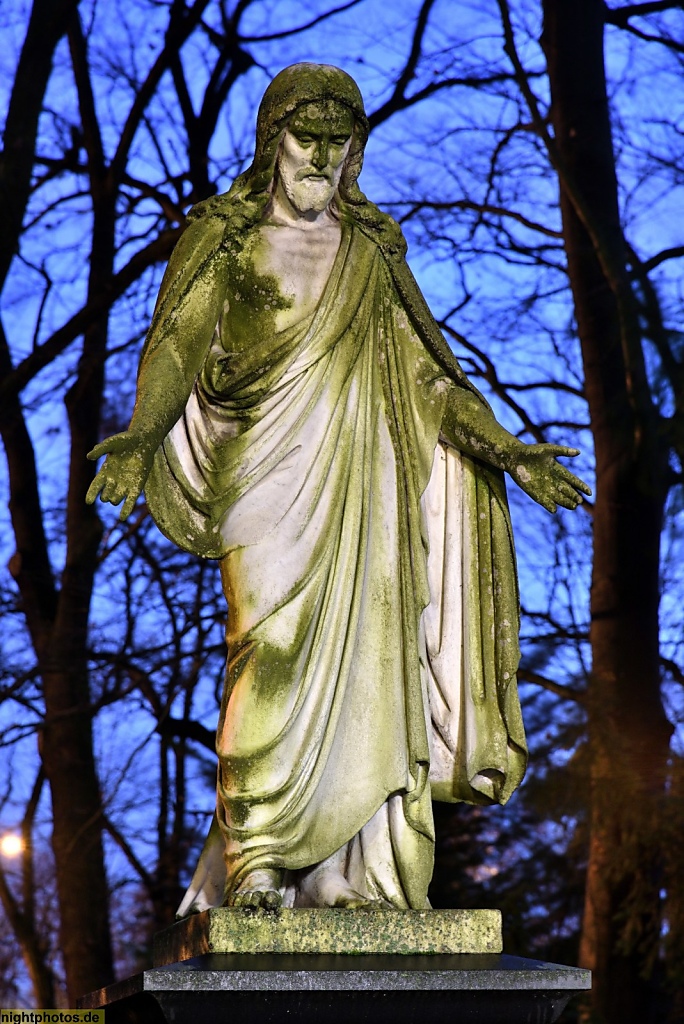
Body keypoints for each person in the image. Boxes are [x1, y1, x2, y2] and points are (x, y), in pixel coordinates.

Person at [87, 63, 590, 913]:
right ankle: (258, 860)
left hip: (368, 484)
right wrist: (141, 436)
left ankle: (357, 878)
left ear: (356, 151)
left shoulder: (371, 256)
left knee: (373, 670)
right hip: (266, 477)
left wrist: (507, 450)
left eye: (338, 140)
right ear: (270, 140)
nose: (319, 155)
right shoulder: (227, 239)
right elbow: (175, 347)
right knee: (270, 653)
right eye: (304, 136)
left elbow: (434, 383)